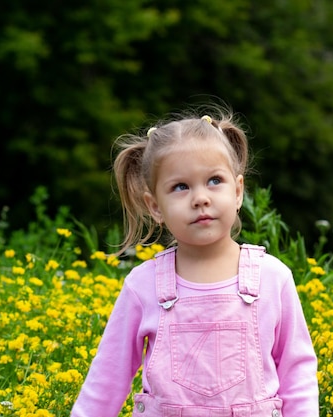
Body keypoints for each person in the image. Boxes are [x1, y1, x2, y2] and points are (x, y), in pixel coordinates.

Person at [71, 108, 319, 416]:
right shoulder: (143, 285)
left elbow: (298, 374)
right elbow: (107, 378)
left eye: (214, 180)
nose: (200, 198)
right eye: (180, 187)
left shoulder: (272, 278)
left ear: (238, 191)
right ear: (155, 207)